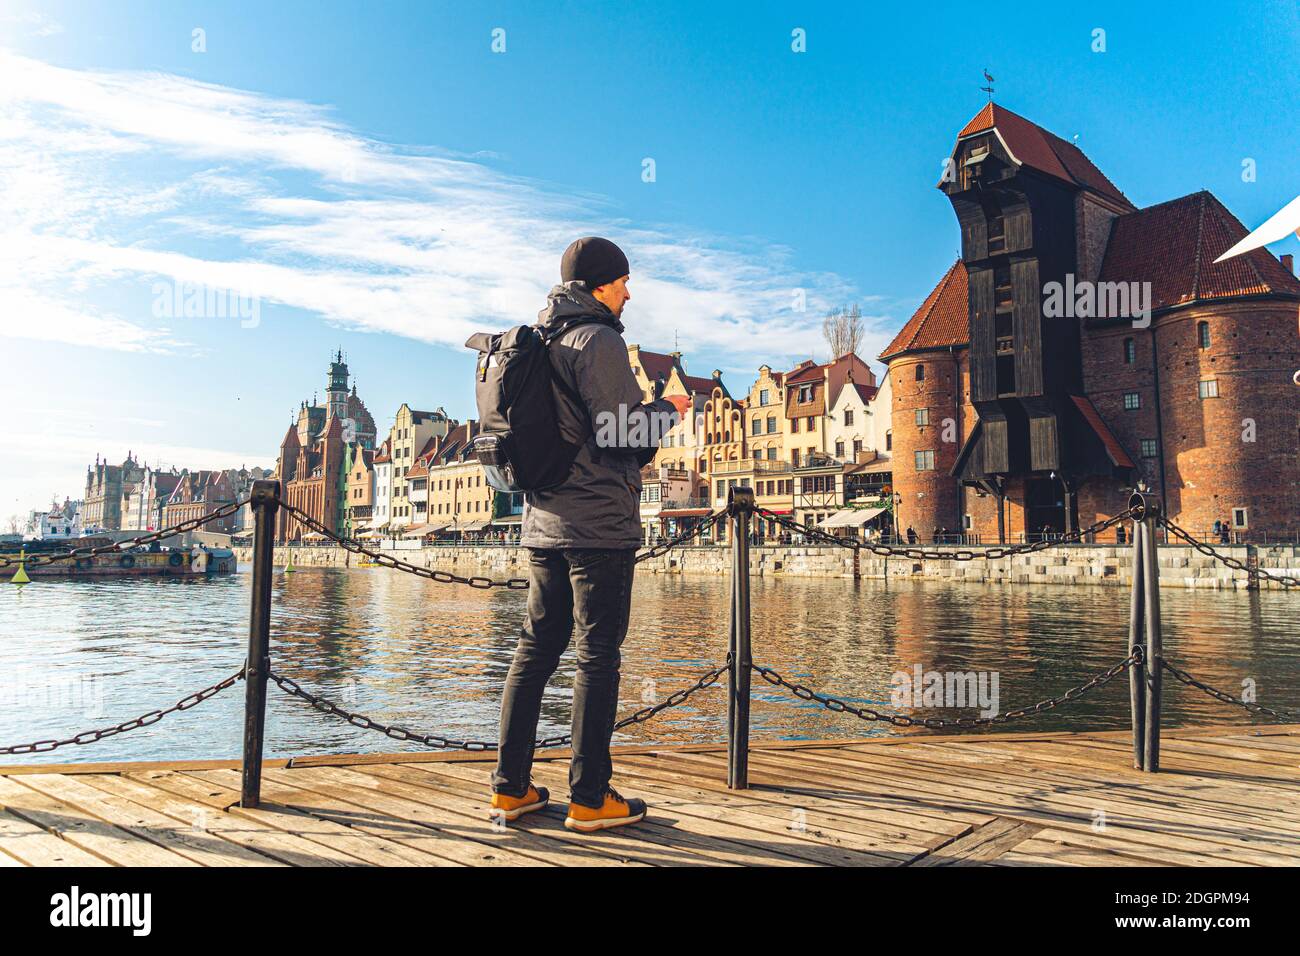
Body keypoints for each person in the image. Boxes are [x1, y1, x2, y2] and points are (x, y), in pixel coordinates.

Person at [488, 237, 692, 833]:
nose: (629, 293)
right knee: (597, 655)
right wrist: (668, 408)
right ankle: (589, 797)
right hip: (598, 522)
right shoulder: (598, 339)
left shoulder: (539, 338)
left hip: (543, 522)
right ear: (601, 284)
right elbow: (620, 433)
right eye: (624, 282)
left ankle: (511, 789)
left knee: (534, 649)